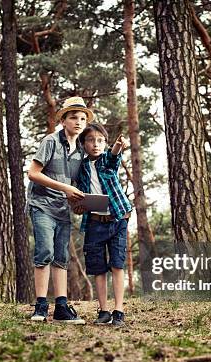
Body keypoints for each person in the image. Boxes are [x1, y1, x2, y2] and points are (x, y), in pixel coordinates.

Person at [26, 96, 94, 324]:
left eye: (83, 118)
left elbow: (81, 184)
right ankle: (41, 306)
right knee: (44, 252)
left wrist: (81, 202)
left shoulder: (82, 151)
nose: (79, 122)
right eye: (73, 117)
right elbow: (33, 173)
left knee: (61, 257)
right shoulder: (51, 141)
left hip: (63, 210)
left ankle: (62, 307)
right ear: (63, 120)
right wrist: (65, 187)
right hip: (42, 205)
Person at [73, 123, 132, 327]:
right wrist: (78, 206)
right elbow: (79, 195)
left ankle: (119, 311)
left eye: (100, 140)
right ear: (83, 144)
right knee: (98, 268)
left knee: (117, 264)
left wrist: (117, 145)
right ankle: (104, 311)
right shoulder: (81, 168)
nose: (95, 144)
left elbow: (114, 155)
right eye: (90, 140)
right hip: (95, 223)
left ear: (105, 143)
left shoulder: (108, 160)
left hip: (117, 219)